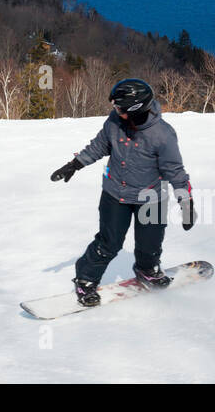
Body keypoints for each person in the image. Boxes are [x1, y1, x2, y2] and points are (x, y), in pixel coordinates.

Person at [50, 78, 196, 306]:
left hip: (151, 198)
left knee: (150, 243)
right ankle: (85, 279)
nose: (116, 111)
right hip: (115, 193)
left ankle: (147, 269)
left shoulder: (163, 135)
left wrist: (186, 202)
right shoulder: (115, 121)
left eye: (120, 108)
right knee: (109, 242)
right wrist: (75, 164)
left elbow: (175, 171)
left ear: (137, 110)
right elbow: (99, 145)